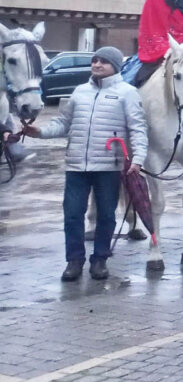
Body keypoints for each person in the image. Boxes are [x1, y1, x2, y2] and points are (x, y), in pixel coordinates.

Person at [22, 47, 148, 282]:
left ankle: (100, 260)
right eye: (94, 60)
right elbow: (64, 123)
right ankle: (74, 261)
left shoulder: (128, 93)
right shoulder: (80, 92)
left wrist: (138, 159)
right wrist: (40, 132)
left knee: (106, 216)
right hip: (76, 166)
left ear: (115, 66)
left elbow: (138, 129)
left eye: (103, 62)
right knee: (72, 215)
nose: (97, 65)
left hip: (108, 167)